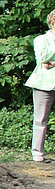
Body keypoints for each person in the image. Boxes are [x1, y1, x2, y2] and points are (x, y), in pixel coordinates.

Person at [25, 9, 55, 162]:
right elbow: (43, 60)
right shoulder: (41, 39)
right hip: (44, 84)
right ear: (53, 23)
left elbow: (50, 63)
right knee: (41, 119)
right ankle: (37, 153)